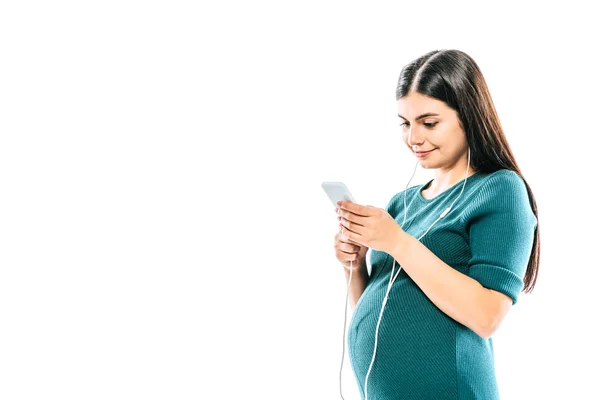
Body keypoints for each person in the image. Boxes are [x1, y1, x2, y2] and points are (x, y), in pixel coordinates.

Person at [333, 49, 540, 400]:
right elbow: (382, 306)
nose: (413, 138)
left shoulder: (499, 189)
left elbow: (487, 316)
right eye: (405, 123)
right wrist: (354, 267)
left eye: (429, 123)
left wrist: (397, 242)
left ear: (469, 117)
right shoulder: (403, 203)